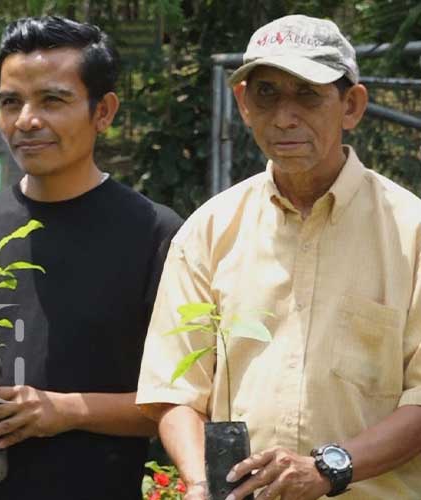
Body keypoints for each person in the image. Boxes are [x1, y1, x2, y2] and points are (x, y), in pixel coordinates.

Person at [0, 15, 183, 500]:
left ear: (103, 111)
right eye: (11, 102)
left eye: (53, 100)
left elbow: (176, 404)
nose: (26, 120)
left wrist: (63, 410)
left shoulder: (155, 232)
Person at [136, 14, 421, 500]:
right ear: (244, 105)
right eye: (267, 94)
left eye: (308, 94)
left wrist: (331, 470)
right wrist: (201, 480)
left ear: (351, 105)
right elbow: (175, 391)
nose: (285, 117)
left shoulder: (411, 231)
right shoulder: (209, 231)